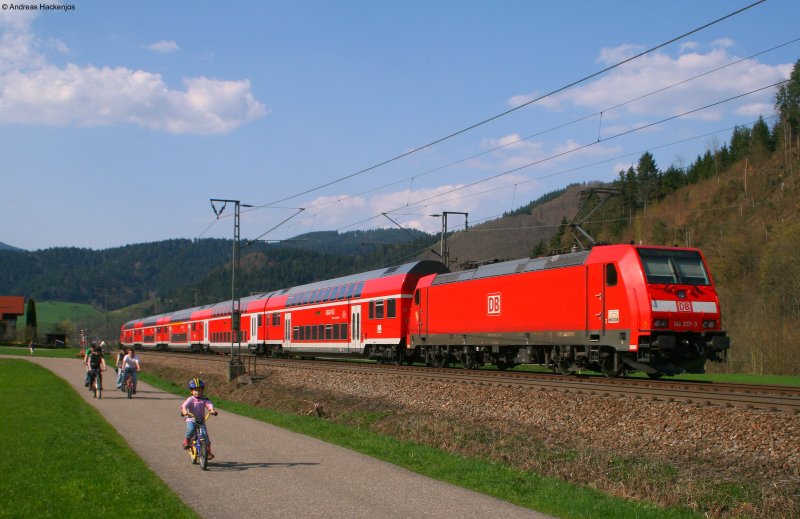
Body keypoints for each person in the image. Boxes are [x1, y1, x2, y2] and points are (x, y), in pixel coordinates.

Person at [180, 378, 218, 459]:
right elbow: (184, 405)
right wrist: (184, 411)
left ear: (202, 391)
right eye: (195, 390)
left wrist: (212, 410)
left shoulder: (204, 399)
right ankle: (187, 440)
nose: (197, 392)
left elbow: (209, 404)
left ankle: (208, 452)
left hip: (201, 420)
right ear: (191, 391)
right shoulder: (190, 399)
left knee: (205, 435)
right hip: (191, 419)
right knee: (191, 429)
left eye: (199, 390)